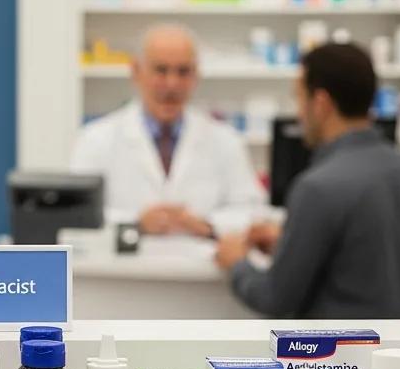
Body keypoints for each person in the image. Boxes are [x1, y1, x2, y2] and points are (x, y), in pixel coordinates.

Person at [216, 42, 400, 318]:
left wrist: (236, 264)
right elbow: (367, 262)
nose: (298, 114)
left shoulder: (318, 188)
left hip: (337, 359)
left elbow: (275, 300)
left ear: (320, 103)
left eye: (299, 98)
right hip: (395, 355)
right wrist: (290, 243)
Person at [71, 24, 264, 236]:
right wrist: (135, 223)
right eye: (161, 70)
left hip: (202, 267)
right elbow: (78, 213)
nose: (172, 84)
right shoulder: (96, 139)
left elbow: (252, 210)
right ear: (136, 72)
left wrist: (208, 225)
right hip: (124, 268)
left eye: (183, 72)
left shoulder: (226, 140)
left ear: (196, 76)